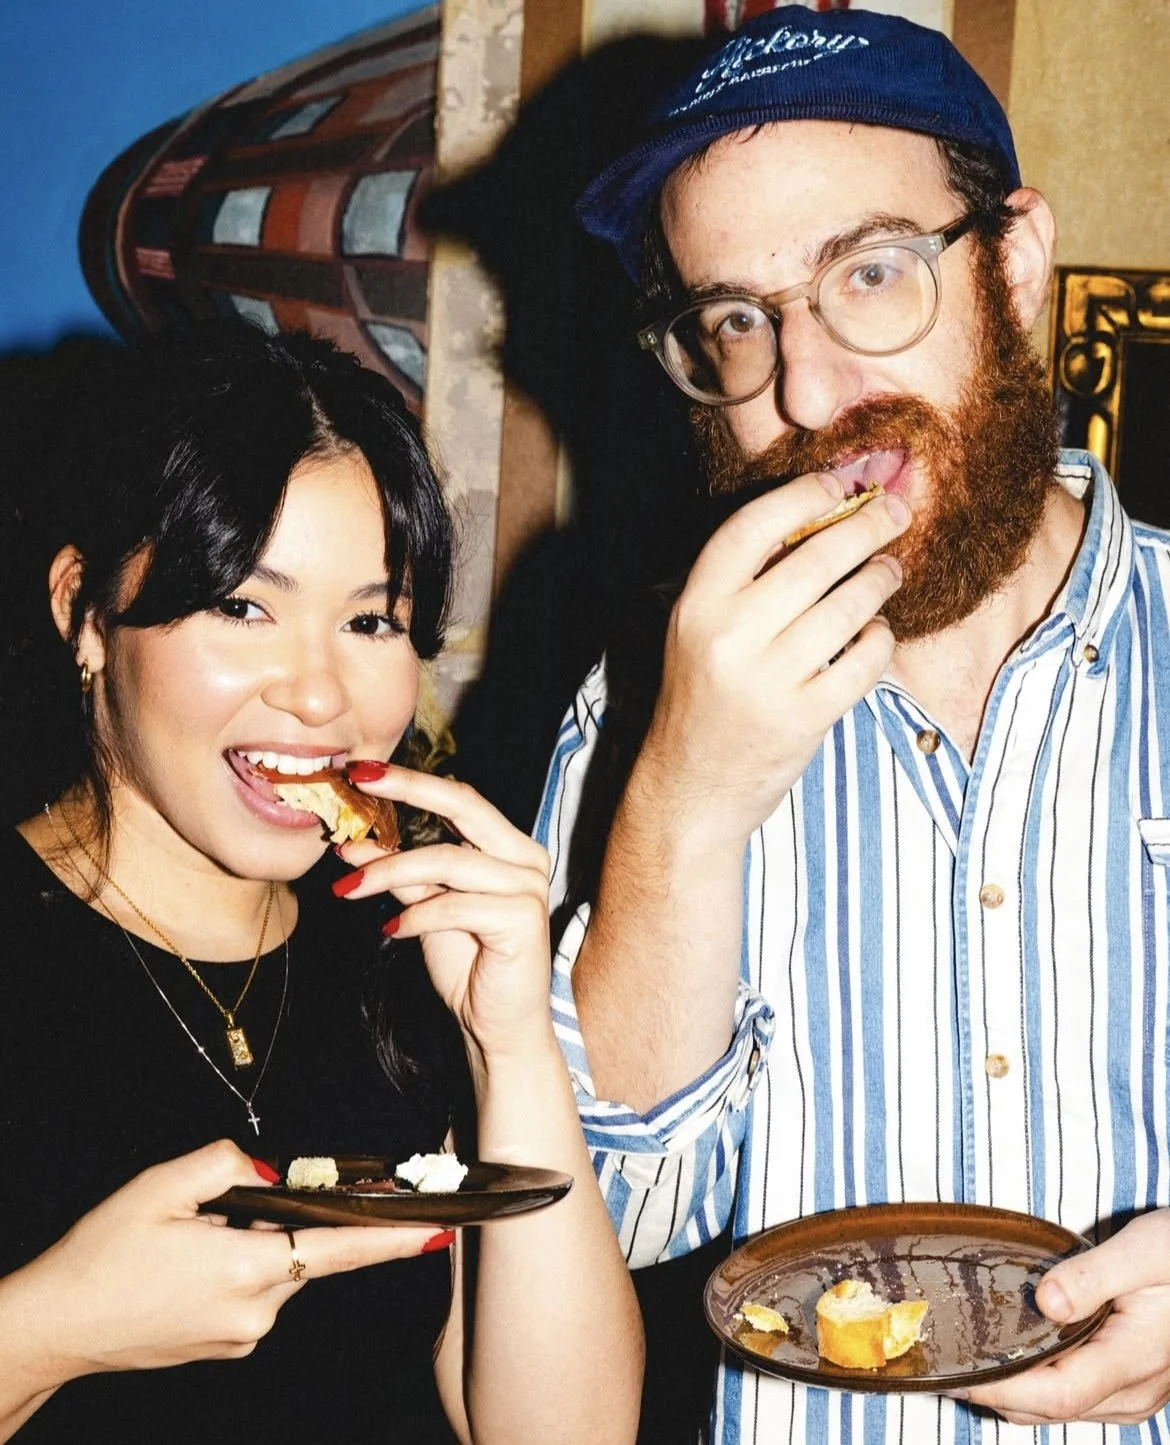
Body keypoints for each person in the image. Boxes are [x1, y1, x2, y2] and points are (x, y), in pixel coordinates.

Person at [534, 6, 1170, 1443]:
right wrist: (682, 805)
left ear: (1011, 263)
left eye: (869, 273)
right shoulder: (644, 713)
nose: (806, 391)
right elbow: (607, 1223)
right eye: (737, 321)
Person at [0, 320, 642, 1444]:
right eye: (245, 605)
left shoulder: (398, 956)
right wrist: (56, 1324)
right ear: (86, 613)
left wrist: (513, 1040)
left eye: (369, 619)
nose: (318, 692)